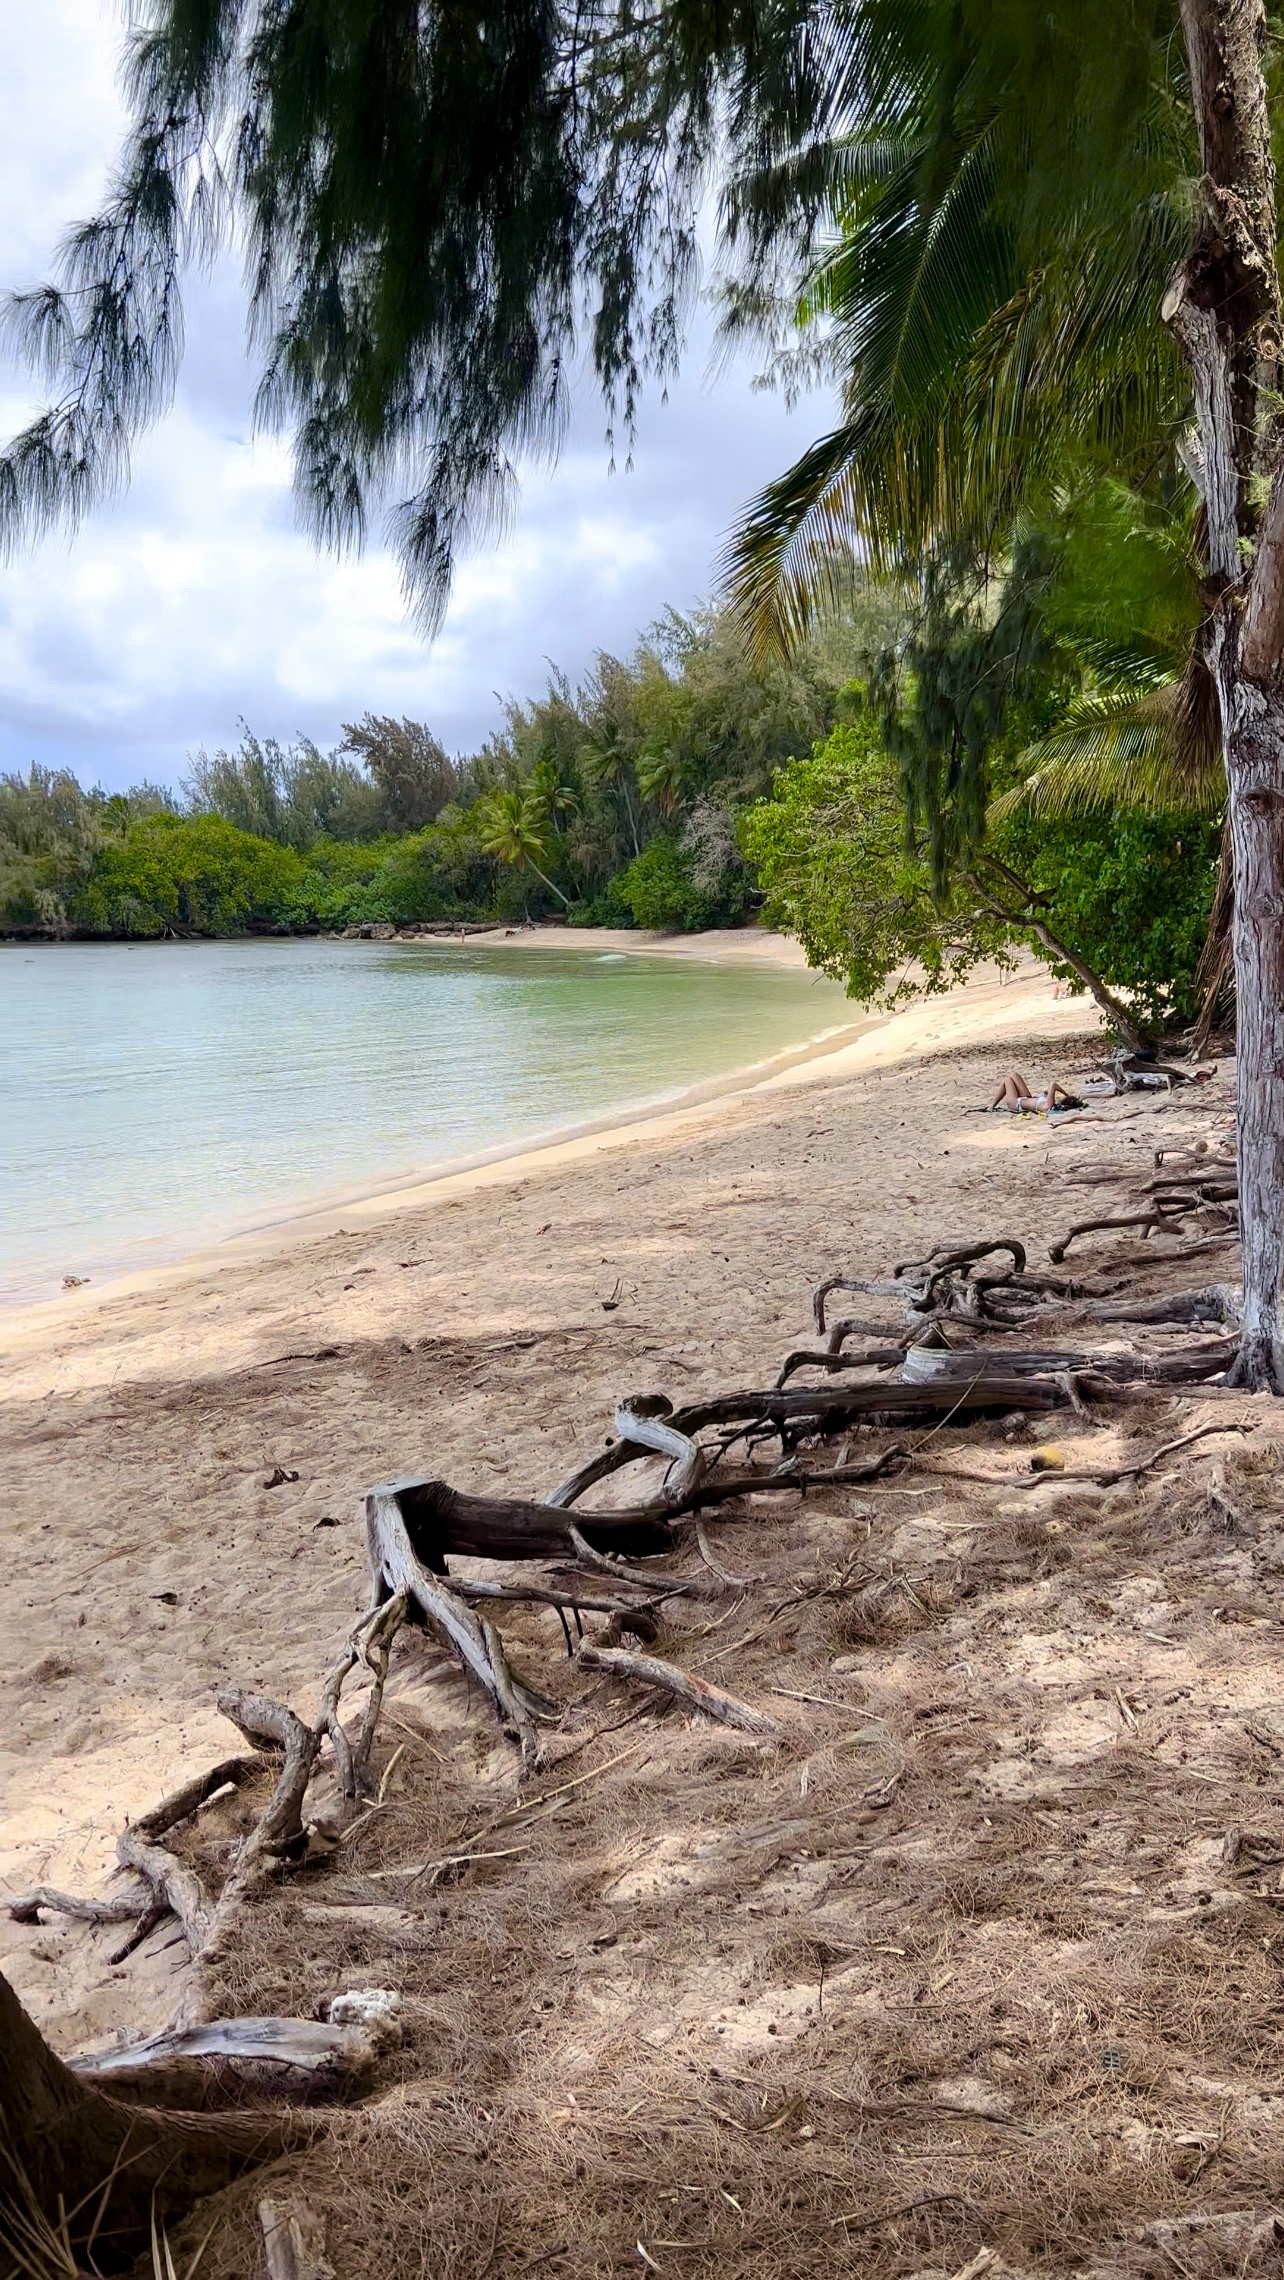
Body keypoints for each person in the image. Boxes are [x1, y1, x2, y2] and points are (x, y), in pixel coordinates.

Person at [988, 1072, 1082, 1114]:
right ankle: (991, 1106)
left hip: (1016, 1104)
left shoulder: (1049, 1105)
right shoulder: (1052, 1104)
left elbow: (1053, 1085)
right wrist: (1067, 1096)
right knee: (1014, 1075)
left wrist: (1066, 1094)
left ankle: (991, 1107)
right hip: (1026, 1098)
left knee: (1008, 1080)